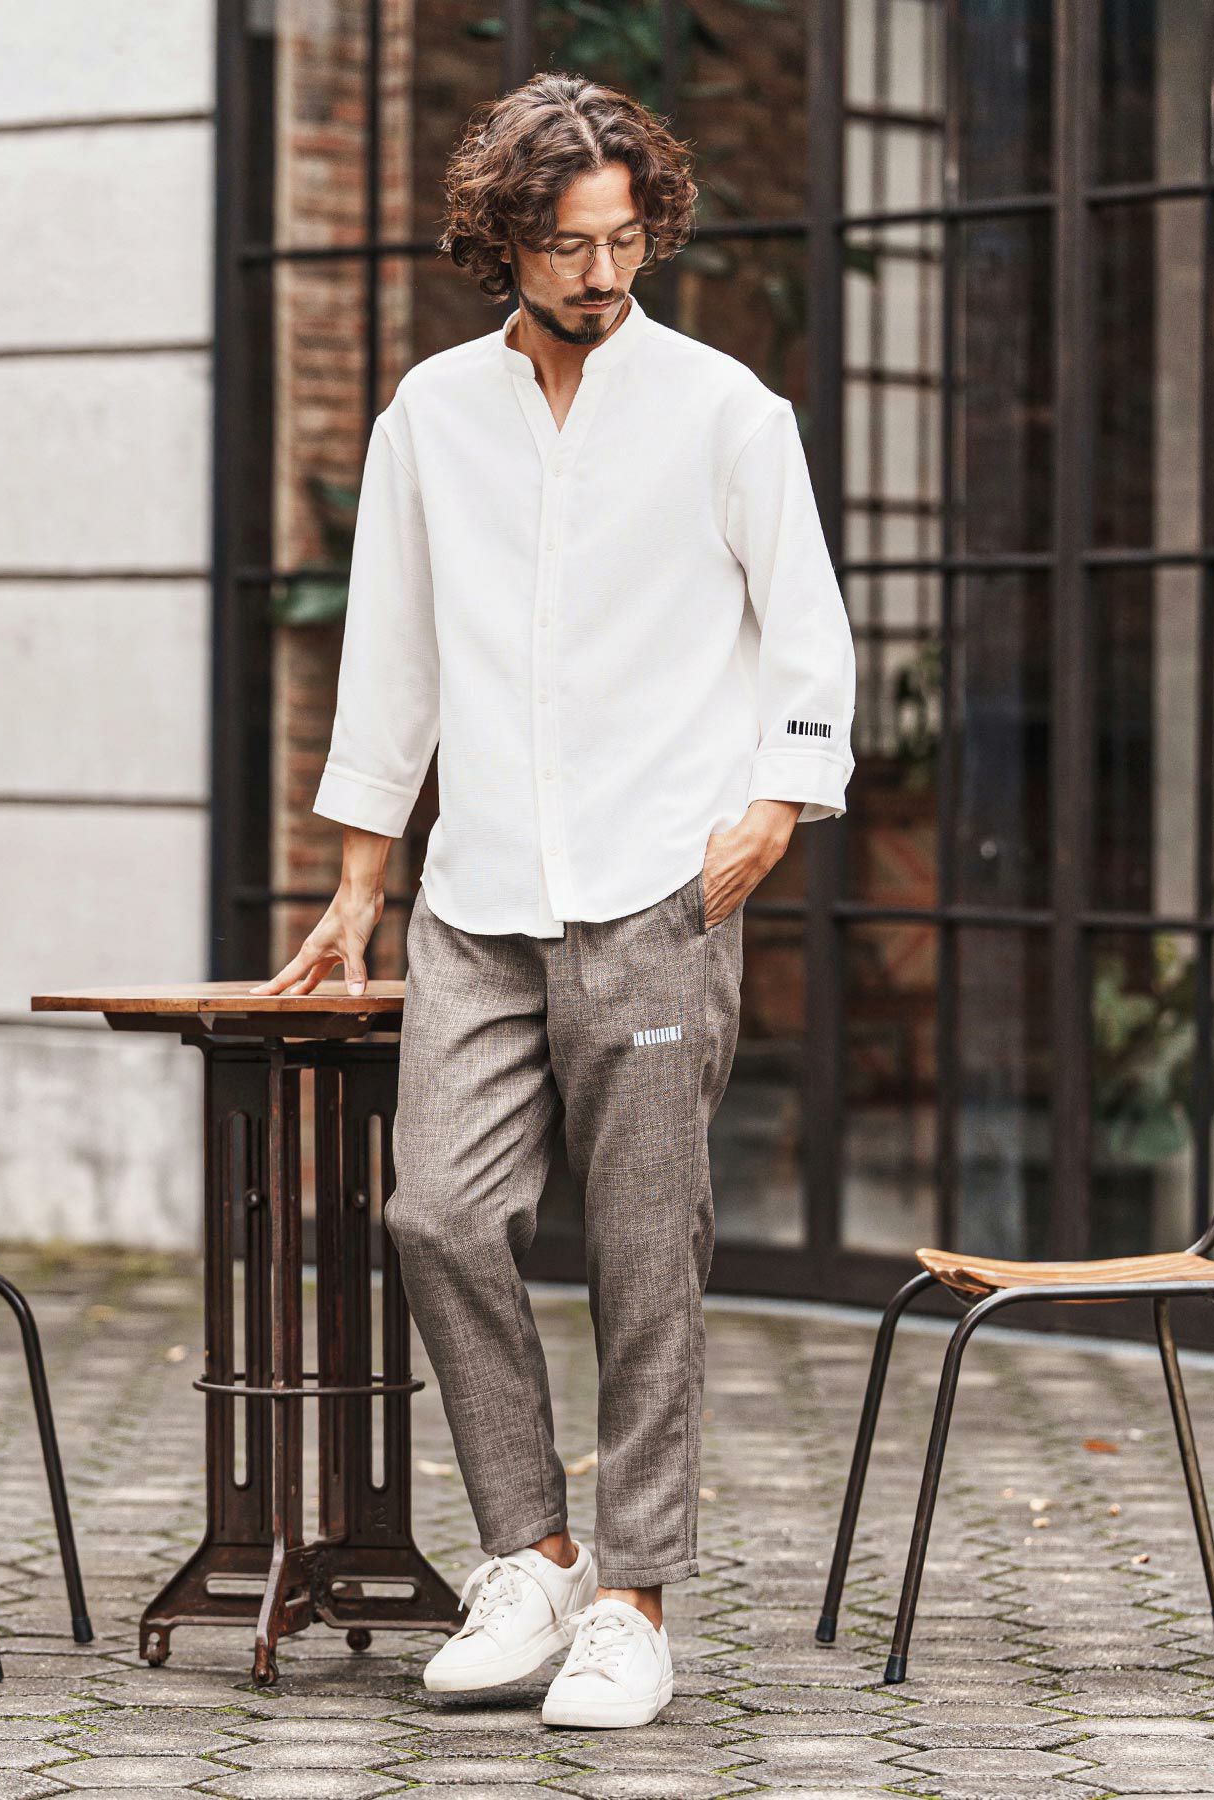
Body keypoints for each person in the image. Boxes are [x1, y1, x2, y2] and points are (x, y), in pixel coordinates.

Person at [250, 70, 856, 1730]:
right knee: (436, 1214)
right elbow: (392, 652)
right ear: (504, 239)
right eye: (569, 244)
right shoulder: (432, 414)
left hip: (660, 889)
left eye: (625, 238)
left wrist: (773, 814)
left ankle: (636, 1603)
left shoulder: (725, 410)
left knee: (648, 1252)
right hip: (479, 897)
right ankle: (534, 1553)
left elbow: (808, 634)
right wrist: (360, 883)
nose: (603, 272)